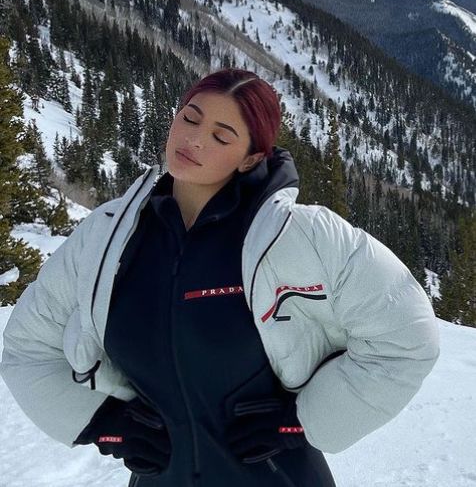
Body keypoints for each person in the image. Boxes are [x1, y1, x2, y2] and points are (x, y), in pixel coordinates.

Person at [0, 68, 440, 487]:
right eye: (190, 117)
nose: (193, 138)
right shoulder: (105, 237)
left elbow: (406, 337)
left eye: (220, 135)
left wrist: (302, 420)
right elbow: (27, 347)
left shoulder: (302, 237)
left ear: (250, 157)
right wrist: (102, 423)